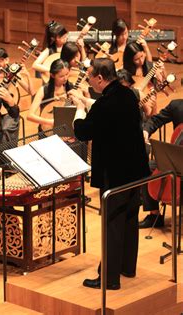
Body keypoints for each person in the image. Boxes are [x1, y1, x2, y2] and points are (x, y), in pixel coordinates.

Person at [72, 58, 150, 290]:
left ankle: (109, 279)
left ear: (99, 78)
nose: (88, 80)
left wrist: (78, 109)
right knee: (129, 219)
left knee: (113, 224)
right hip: (135, 169)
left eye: (89, 76)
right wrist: (88, 102)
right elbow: (107, 111)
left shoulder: (103, 106)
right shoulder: (128, 94)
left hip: (115, 173)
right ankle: (127, 267)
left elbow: (83, 132)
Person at [139, 99, 183, 228]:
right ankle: (154, 215)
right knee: (145, 167)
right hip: (176, 158)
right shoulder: (177, 106)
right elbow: (155, 120)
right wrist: (146, 131)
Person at [27, 59, 73, 130]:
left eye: (67, 74)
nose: (65, 78)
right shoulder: (44, 90)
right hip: (47, 129)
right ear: (52, 75)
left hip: (65, 129)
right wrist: (51, 122)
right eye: (61, 76)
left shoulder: (70, 87)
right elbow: (30, 116)